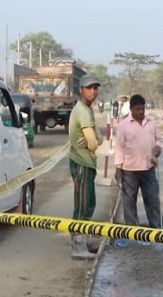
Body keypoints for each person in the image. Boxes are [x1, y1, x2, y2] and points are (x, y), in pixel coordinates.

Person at [114, 94, 163, 228]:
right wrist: (118, 169)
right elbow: (119, 148)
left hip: (148, 168)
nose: (141, 112)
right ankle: (132, 231)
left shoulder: (151, 124)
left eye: (142, 109)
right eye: (137, 109)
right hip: (129, 170)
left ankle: (156, 229)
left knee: (152, 199)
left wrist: (157, 149)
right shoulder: (123, 126)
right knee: (129, 201)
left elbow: (158, 140)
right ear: (131, 109)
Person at [67, 73, 102, 259]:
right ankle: (78, 247)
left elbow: (97, 138)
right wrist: (94, 142)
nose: (93, 91)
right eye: (89, 88)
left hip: (86, 163)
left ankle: (84, 240)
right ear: (81, 90)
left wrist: (95, 141)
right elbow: (94, 142)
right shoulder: (82, 111)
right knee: (82, 205)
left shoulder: (87, 109)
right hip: (81, 163)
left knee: (89, 203)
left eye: (95, 88)